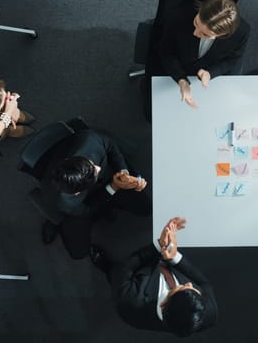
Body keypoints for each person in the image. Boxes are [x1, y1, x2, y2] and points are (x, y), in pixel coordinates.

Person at [90, 217, 218, 336]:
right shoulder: (208, 313)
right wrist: (174, 258)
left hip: (136, 270)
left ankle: (105, 265)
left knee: (115, 274)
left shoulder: (130, 303)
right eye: (194, 290)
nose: (190, 284)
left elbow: (124, 268)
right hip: (167, 264)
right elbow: (204, 283)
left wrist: (157, 246)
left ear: (163, 304)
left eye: (182, 287)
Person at [40, 128, 151, 259]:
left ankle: (108, 206)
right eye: (95, 172)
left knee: (145, 208)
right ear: (77, 193)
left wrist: (124, 173)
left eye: (92, 164)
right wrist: (113, 187)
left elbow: (109, 145)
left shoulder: (89, 140)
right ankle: (59, 224)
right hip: (83, 205)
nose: (98, 167)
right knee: (78, 252)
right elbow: (87, 210)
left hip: (109, 181)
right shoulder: (63, 201)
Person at [150, 0, 250, 110]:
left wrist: (210, 73)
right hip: (175, 68)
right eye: (196, 23)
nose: (195, 33)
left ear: (223, 35)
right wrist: (181, 79)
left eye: (205, 34)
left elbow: (232, 59)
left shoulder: (242, 32)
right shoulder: (178, 16)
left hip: (206, 77)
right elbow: (166, 52)